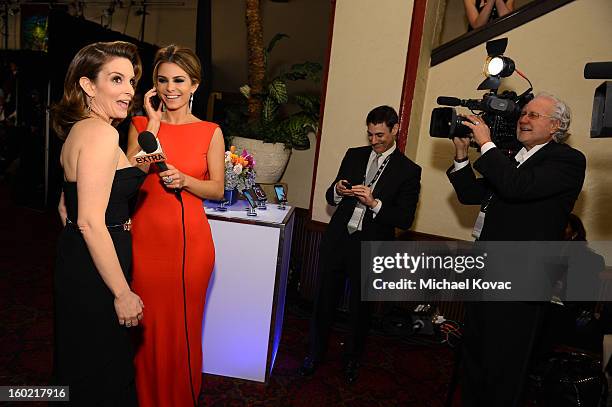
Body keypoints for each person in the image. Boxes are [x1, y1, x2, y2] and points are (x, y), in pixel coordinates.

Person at [447, 93, 586, 406]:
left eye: (534, 115)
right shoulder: (513, 159)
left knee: (503, 366)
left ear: (556, 126)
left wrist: (485, 143)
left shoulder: (567, 160)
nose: (523, 119)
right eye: (523, 113)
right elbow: (471, 194)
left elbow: (516, 187)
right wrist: (460, 156)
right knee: (475, 356)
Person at [126, 45, 224, 406]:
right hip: (144, 242)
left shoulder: (210, 131)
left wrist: (185, 181)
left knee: (183, 328)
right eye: (163, 80)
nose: (171, 88)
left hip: (190, 246)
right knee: (147, 328)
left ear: (194, 84)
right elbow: (128, 179)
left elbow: (217, 189)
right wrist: (152, 124)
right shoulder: (138, 126)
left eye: (179, 80)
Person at [51, 41, 145, 405]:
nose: (128, 90)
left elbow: (66, 209)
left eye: (132, 81)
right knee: (105, 373)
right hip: (97, 269)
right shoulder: (103, 134)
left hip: (81, 262)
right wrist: (122, 293)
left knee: (80, 365)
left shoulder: (78, 131)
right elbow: (90, 222)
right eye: (116, 79)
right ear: (89, 86)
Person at [299, 105, 421, 384]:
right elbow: (331, 197)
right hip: (339, 240)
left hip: (371, 246)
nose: (374, 141)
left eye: (380, 135)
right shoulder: (354, 155)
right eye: (370, 135)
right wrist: (339, 191)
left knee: (361, 309)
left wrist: (375, 203)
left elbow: (405, 218)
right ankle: (314, 354)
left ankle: (352, 359)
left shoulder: (408, 170)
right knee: (323, 301)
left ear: (395, 129)